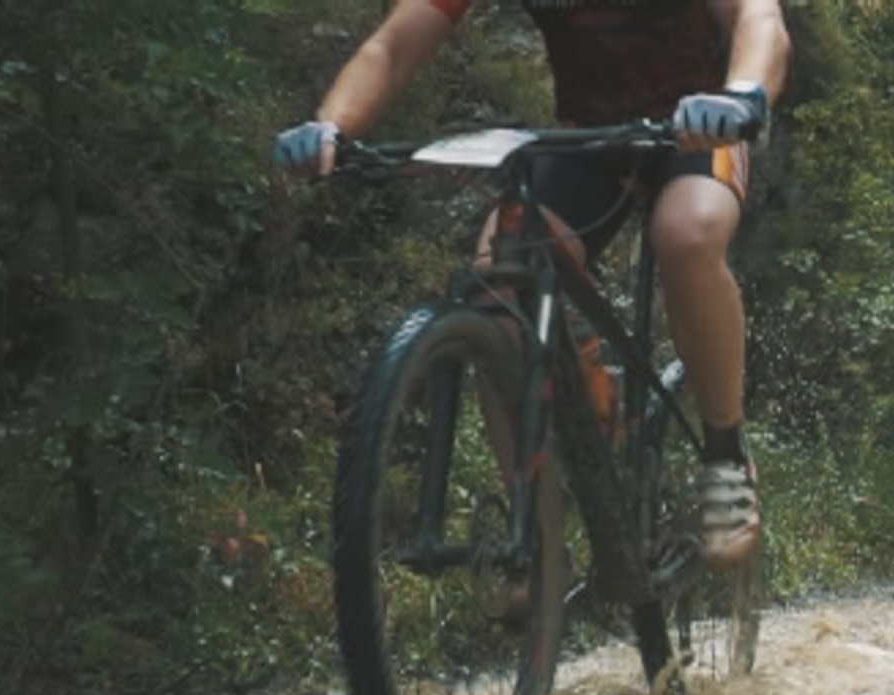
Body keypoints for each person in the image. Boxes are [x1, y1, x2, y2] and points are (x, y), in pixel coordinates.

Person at [272, 0, 790, 573]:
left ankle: (725, 456)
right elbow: (392, 45)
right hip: (592, 142)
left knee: (687, 235)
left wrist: (743, 94)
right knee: (498, 282)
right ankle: (536, 533)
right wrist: (333, 124)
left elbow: (758, 19)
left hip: (699, 130)